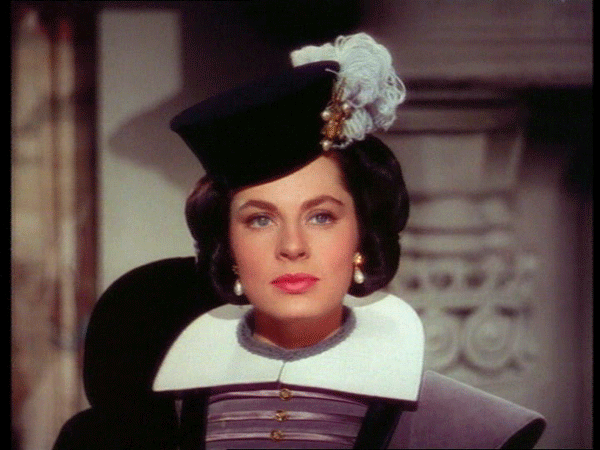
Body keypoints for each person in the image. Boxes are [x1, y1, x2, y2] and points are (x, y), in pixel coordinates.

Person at [53, 33, 545, 449]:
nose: (292, 246)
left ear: (361, 235)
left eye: (321, 217)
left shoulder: (465, 427)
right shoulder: (158, 411)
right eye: (260, 220)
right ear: (228, 245)